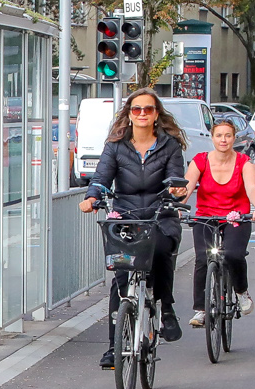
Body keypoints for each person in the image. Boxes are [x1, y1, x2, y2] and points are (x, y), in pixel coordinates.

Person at [81, 89, 190, 368]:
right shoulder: (116, 146)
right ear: (129, 114)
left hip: (159, 215)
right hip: (125, 218)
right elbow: (102, 178)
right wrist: (91, 197)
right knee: (120, 279)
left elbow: (177, 180)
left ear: (156, 115)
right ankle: (113, 348)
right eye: (137, 109)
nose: (142, 114)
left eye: (148, 110)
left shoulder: (169, 146)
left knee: (163, 251)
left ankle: (166, 309)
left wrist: (177, 191)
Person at [184, 117, 255, 326]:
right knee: (203, 258)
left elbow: (252, 187)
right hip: (206, 217)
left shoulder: (243, 162)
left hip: (236, 217)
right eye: (219, 135)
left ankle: (241, 291)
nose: (223, 140)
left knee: (233, 255)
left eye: (228, 135)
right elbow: (188, 186)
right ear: (212, 138)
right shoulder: (200, 160)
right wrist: (176, 205)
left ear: (234, 138)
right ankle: (201, 309)